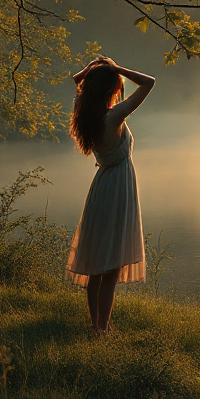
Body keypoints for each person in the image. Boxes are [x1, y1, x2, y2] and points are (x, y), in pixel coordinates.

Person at [67, 56, 155, 332]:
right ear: (111, 88)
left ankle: (97, 325)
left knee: (97, 265)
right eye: (117, 83)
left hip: (102, 186)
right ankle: (101, 329)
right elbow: (149, 82)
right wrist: (117, 68)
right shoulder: (113, 115)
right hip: (118, 186)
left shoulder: (84, 111)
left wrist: (97, 66)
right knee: (110, 268)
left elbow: (76, 80)